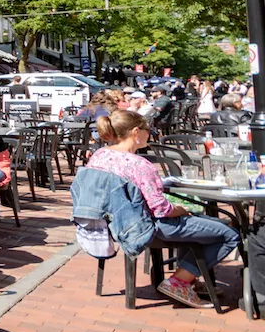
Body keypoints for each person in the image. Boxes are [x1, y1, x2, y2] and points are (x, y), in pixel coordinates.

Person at [85, 110, 239, 308]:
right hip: (147, 227)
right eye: (148, 130)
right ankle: (179, 281)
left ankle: (189, 279)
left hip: (112, 224)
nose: (151, 134)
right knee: (229, 234)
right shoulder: (139, 164)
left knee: (194, 225)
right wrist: (180, 209)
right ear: (135, 132)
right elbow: (160, 209)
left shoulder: (99, 156)